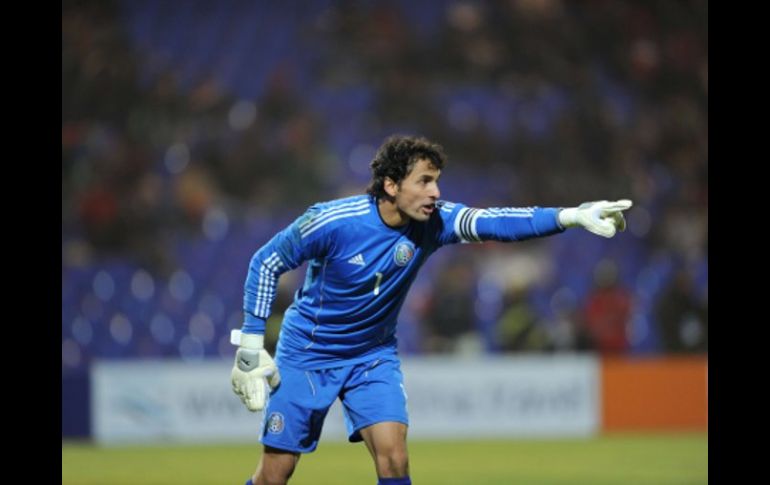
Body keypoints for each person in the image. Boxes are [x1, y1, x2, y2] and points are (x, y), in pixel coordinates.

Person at [230, 135, 632, 485]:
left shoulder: (435, 222)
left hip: (371, 356)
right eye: (424, 181)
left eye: (436, 181)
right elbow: (265, 262)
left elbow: (495, 222)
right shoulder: (333, 221)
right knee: (275, 475)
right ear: (391, 185)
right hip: (308, 354)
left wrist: (570, 216)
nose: (435, 192)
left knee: (394, 457)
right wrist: (250, 347)